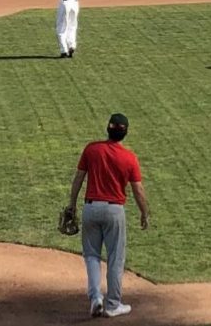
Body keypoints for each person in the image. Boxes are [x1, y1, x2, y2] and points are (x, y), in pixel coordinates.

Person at [67, 113, 149, 318]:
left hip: (90, 208)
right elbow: (138, 189)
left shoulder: (92, 149)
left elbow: (78, 179)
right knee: (115, 258)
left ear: (108, 129)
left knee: (92, 255)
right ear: (125, 133)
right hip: (115, 211)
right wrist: (144, 213)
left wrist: (72, 205)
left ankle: (96, 298)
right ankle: (113, 304)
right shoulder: (129, 158)